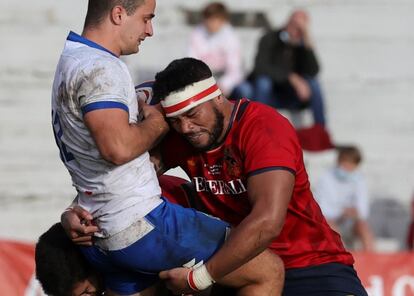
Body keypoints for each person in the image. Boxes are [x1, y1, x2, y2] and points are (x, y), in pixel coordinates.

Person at [50, 0, 282, 295]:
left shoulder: (71, 59)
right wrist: (159, 120)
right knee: (266, 271)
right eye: (147, 19)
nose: (150, 30)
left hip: (98, 230)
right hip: (140, 223)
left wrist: (71, 210)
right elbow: (118, 148)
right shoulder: (102, 67)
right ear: (118, 14)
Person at [148, 57, 366, 295]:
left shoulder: (263, 128)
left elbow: (267, 222)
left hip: (309, 264)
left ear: (217, 96)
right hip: (241, 266)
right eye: (175, 120)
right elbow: (130, 168)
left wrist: (198, 278)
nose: (186, 127)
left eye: (192, 114)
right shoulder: (186, 136)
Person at [235, 9, 326, 126]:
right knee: (264, 82)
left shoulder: (302, 47)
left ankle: (320, 130)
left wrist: (307, 40)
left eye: (300, 28)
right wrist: (291, 77)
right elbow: (260, 67)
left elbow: (314, 71)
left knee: (314, 84)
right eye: (293, 24)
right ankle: (258, 125)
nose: (295, 30)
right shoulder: (270, 38)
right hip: (267, 93)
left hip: (289, 95)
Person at [314, 146, 375, 251]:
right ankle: (345, 262)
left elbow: (363, 211)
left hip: (349, 222)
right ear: (339, 162)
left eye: (352, 167)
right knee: (332, 228)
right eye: (346, 165)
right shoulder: (325, 178)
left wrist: (354, 213)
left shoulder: (359, 179)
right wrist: (342, 211)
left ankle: (372, 263)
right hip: (329, 221)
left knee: (364, 229)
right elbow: (321, 209)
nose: (348, 170)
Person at [187, 2, 243, 97]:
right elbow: (191, 62)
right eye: (208, 19)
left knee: (244, 90)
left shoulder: (231, 37)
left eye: (215, 19)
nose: (211, 23)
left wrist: (223, 84)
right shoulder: (196, 34)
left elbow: (235, 70)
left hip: (225, 80)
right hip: (203, 79)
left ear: (223, 20)